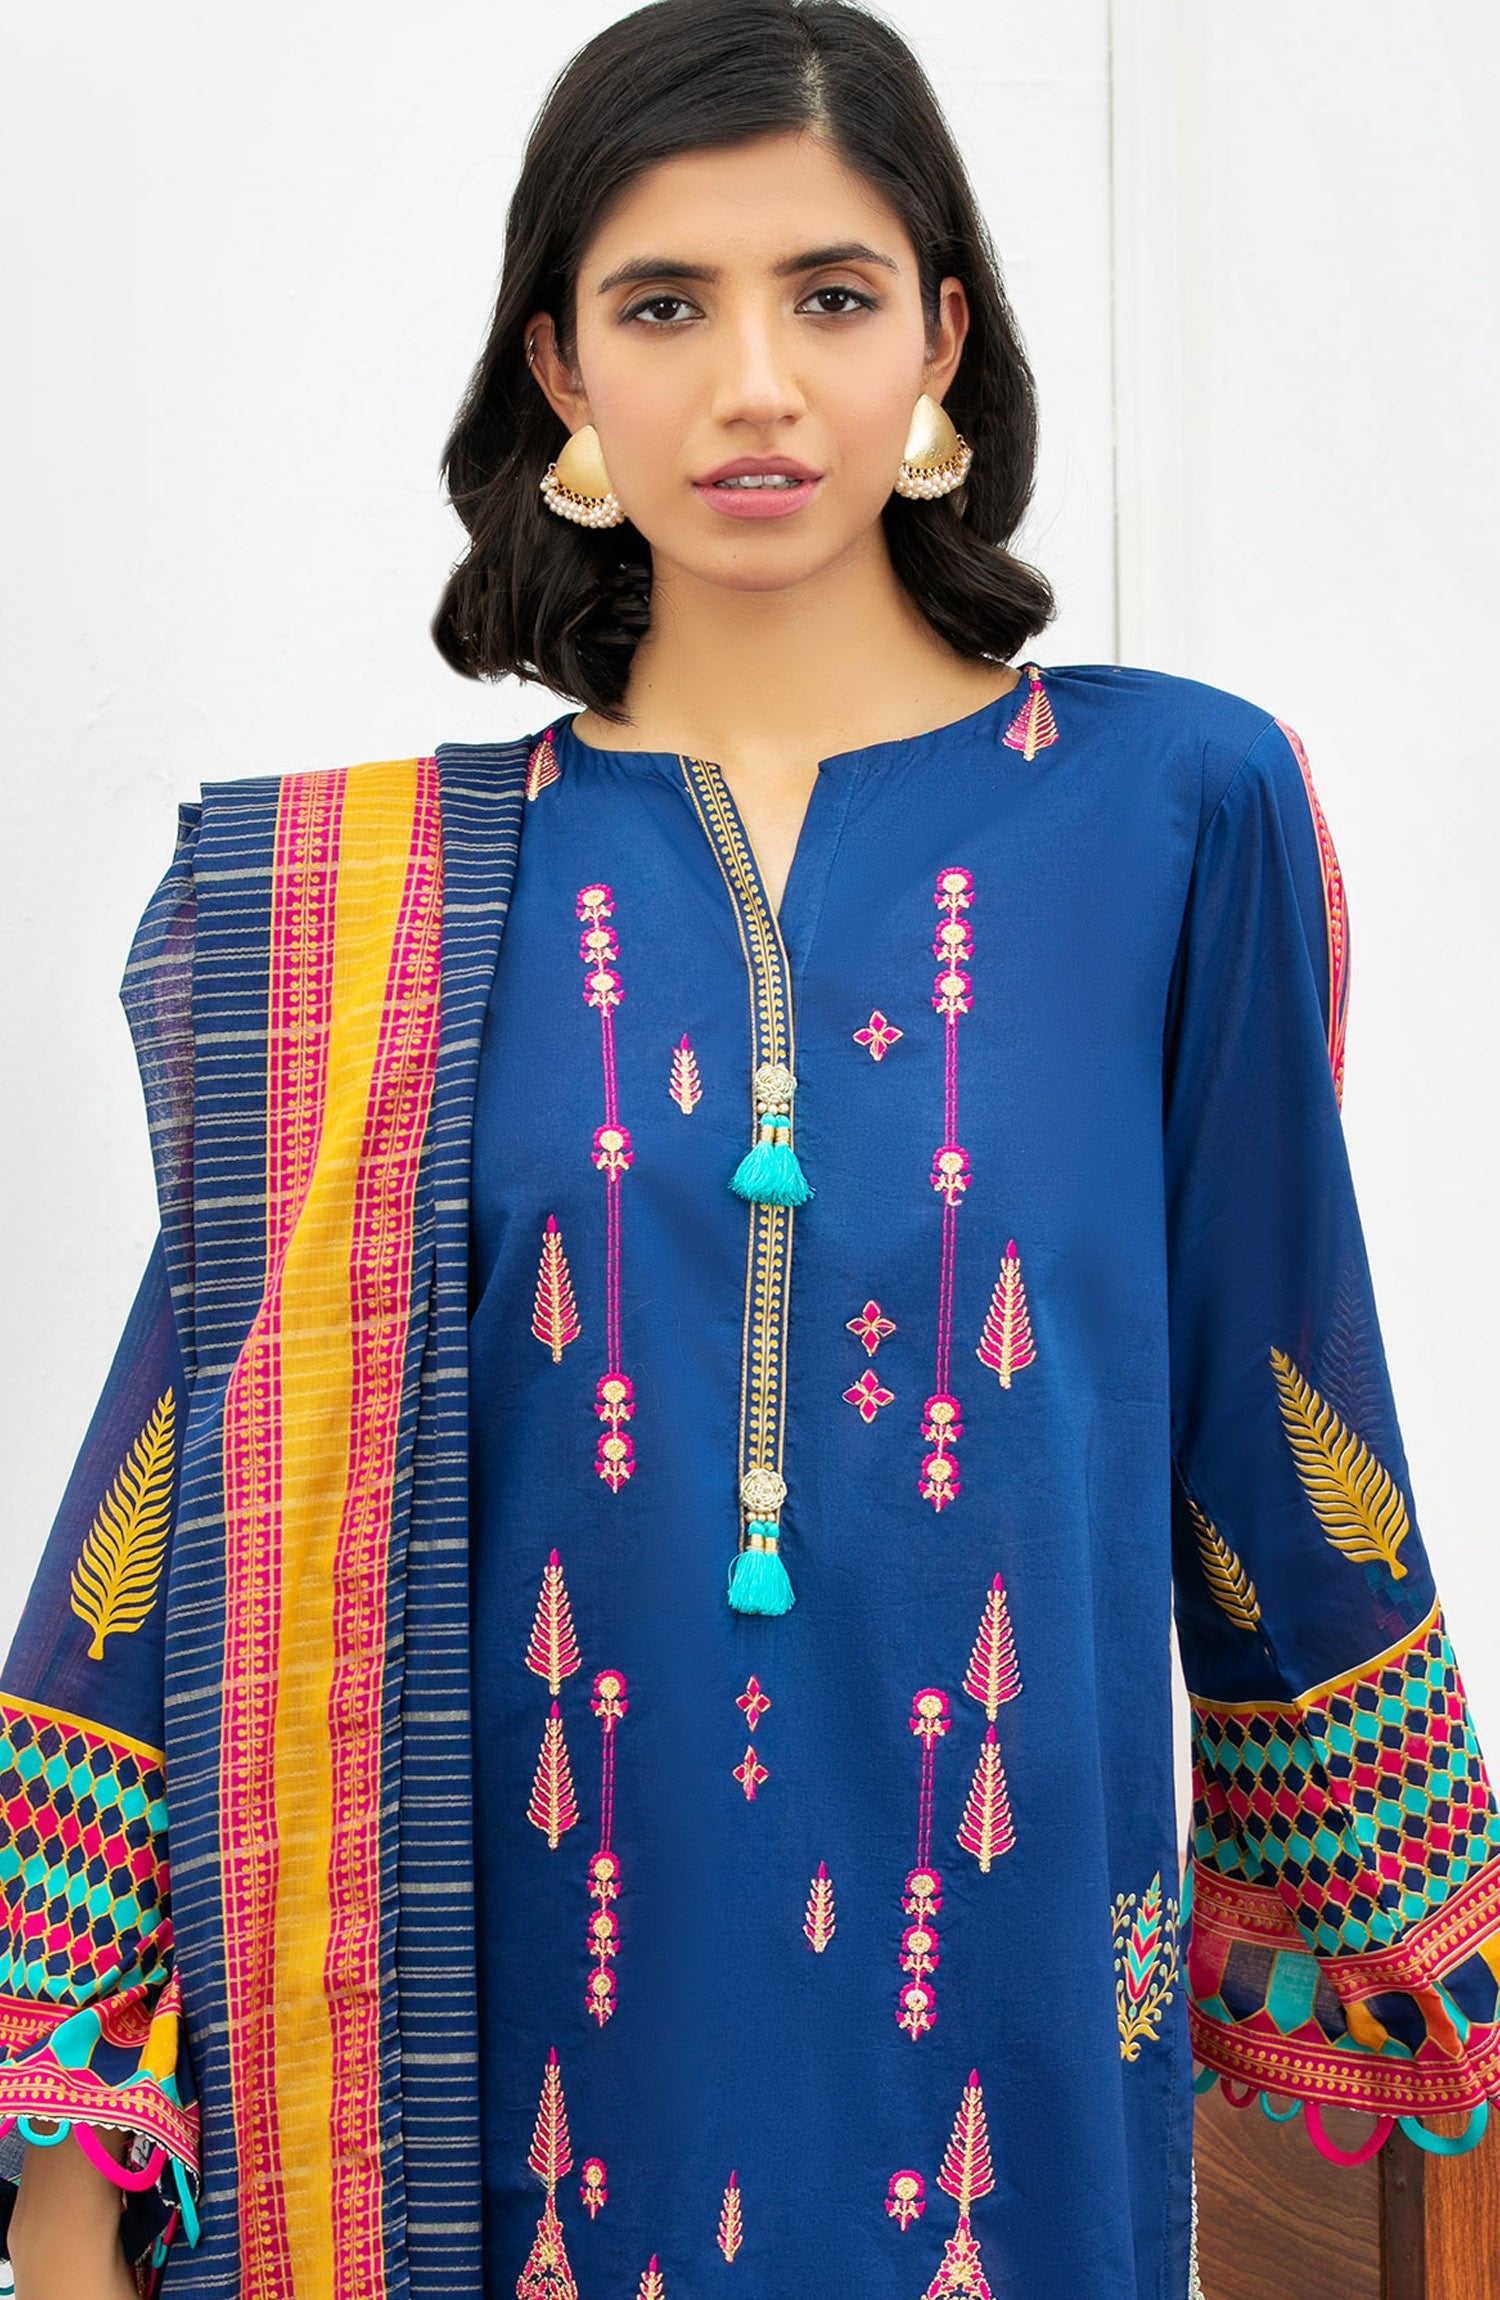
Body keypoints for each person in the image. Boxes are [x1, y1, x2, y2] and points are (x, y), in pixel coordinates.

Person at [2, 2, 1497, 2295]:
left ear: (944, 342)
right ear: (561, 373)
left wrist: (1397, 1960)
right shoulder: (369, 916)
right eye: (664, 307)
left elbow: (1277, 1412)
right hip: (504, 2053)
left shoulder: (1180, 811)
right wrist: (74, 2143)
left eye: (831, 294)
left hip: (1014, 2019)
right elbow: (192, 1501)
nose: (758, 387)